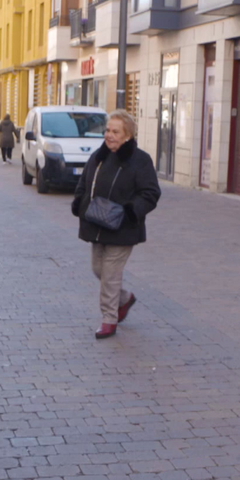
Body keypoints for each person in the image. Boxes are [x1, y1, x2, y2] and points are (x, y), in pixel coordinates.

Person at [71, 109, 161, 339]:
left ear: (128, 135)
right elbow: (84, 183)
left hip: (123, 228)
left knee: (110, 274)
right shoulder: (99, 157)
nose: (109, 135)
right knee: (98, 270)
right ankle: (124, 298)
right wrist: (80, 203)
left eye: (115, 131)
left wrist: (130, 212)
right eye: (108, 130)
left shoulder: (140, 160)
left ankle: (109, 319)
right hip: (96, 224)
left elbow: (150, 193)